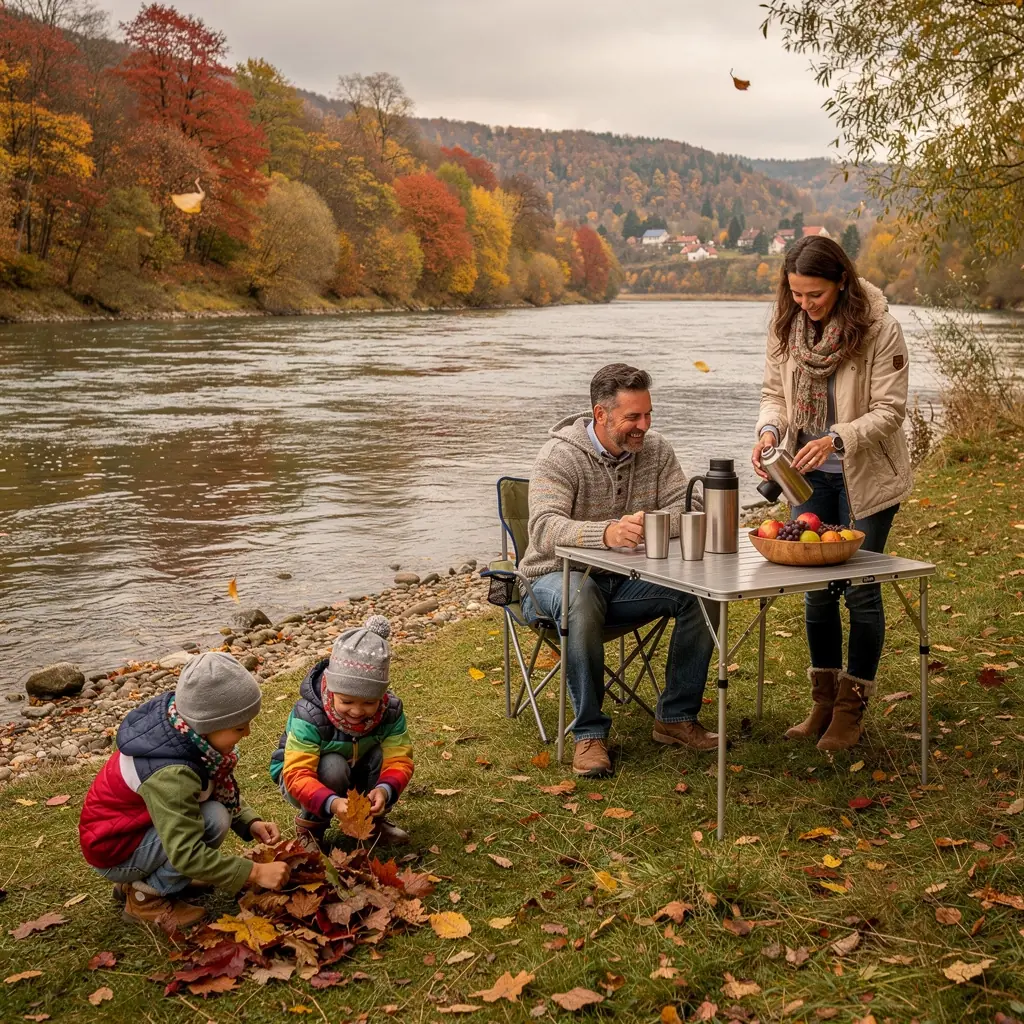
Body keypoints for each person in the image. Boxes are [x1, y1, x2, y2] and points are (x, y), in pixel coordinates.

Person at [752, 235, 913, 751]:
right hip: (806, 474)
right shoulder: (786, 326)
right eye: (797, 294)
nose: (805, 305)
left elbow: (890, 414)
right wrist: (770, 433)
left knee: (862, 590)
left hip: (866, 478)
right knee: (816, 589)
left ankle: (852, 707)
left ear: (841, 281)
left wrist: (836, 438)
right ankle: (823, 701)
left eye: (814, 295)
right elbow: (775, 395)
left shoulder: (880, 328)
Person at [519, 362, 718, 778]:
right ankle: (588, 733)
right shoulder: (561, 455)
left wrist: (652, 523)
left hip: (627, 583)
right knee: (581, 596)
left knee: (702, 591)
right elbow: (542, 531)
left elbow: (691, 509)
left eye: (647, 415)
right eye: (633, 417)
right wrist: (605, 533)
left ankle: (676, 717)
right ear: (600, 414)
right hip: (550, 582)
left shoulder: (657, 449)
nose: (643, 426)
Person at [79, 652, 289, 929]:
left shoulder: (182, 734)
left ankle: (149, 882)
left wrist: (249, 821)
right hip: (116, 850)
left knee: (214, 814)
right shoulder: (173, 773)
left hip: (133, 833)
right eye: (239, 727)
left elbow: (208, 788)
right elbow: (186, 852)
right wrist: (256, 872)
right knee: (214, 819)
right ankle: (145, 898)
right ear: (207, 725)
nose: (247, 733)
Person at [270, 615, 413, 848]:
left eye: (368, 703)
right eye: (346, 701)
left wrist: (384, 790)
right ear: (331, 689)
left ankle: (371, 822)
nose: (357, 711)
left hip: (356, 769)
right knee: (333, 765)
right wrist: (332, 803)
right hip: (300, 778)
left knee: (381, 754)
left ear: (381, 696)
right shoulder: (309, 715)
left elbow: (399, 759)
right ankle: (311, 827)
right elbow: (297, 774)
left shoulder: (390, 711)